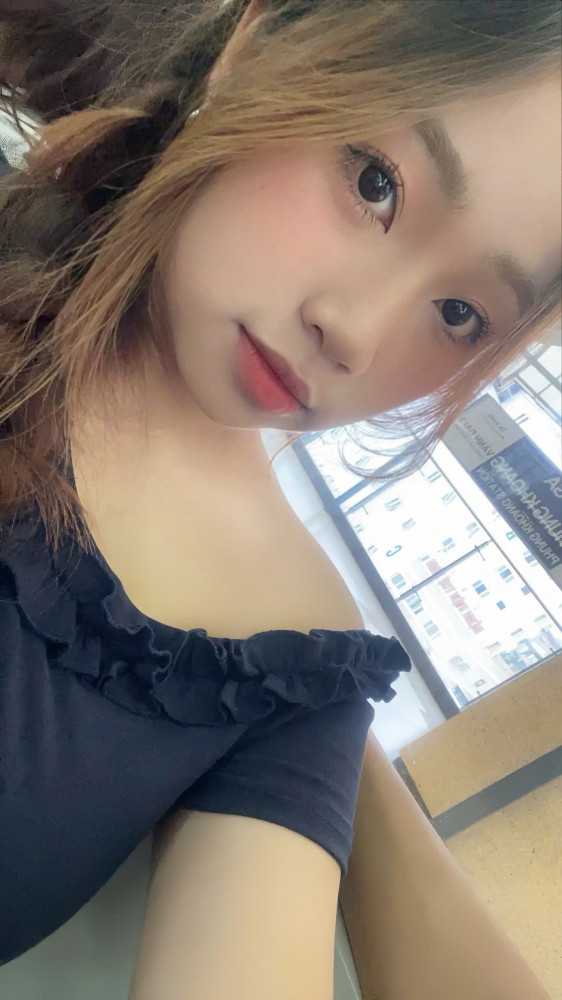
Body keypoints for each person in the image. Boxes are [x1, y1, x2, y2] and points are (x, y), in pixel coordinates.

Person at [0, 1, 560, 996]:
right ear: (257, 45)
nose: (356, 333)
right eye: (376, 184)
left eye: (457, 312)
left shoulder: (290, 665)